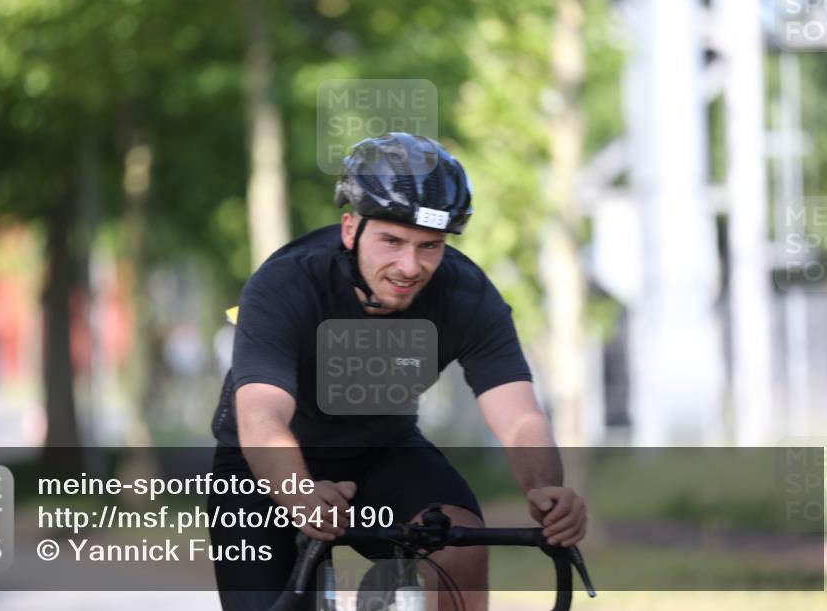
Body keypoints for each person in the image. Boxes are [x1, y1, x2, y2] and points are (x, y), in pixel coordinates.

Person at [208, 133, 586, 610]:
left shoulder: (466, 296)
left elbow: (520, 418)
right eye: (391, 241)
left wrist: (545, 487)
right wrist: (299, 491)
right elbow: (262, 419)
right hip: (264, 467)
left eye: (430, 246)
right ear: (351, 230)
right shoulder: (287, 283)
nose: (410, 266)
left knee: (461, 547)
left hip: (382, 449)